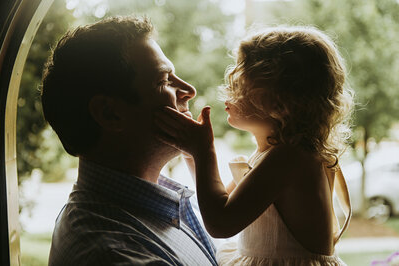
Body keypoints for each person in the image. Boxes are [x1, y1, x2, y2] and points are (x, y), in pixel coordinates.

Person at [155, 26, 354, 265]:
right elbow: (222, 197)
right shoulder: (278, 152)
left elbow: (220, 222)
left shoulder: (288, 158)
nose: (226, 93)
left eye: (238, 87)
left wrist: (203, 150)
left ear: (280, 103)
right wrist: (191, 153)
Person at [41, 16, 217, 266]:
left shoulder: (159, 204)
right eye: (164, 80)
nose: (189, 90)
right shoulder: (113, 255)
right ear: (110, 113)